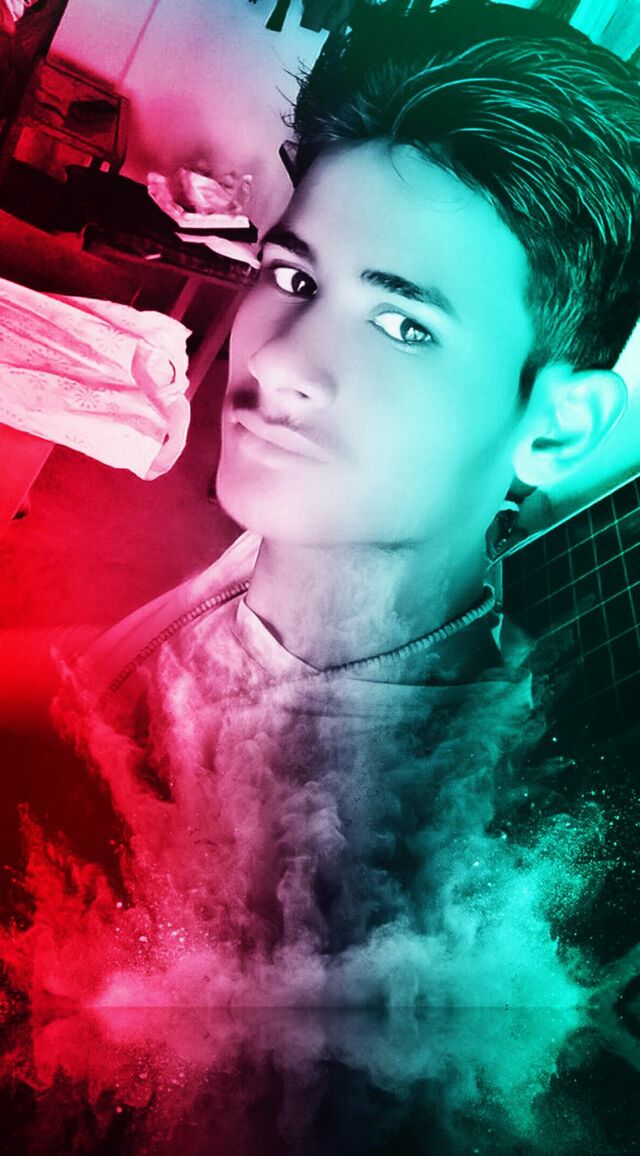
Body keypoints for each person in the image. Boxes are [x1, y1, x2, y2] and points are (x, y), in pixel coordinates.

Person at [1, 0, 639, 1008]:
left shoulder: (345, 899)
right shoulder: (312, 541)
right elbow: (123, 685)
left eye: (405, 325)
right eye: (293, 275)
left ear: (556, 428)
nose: (283, 362)